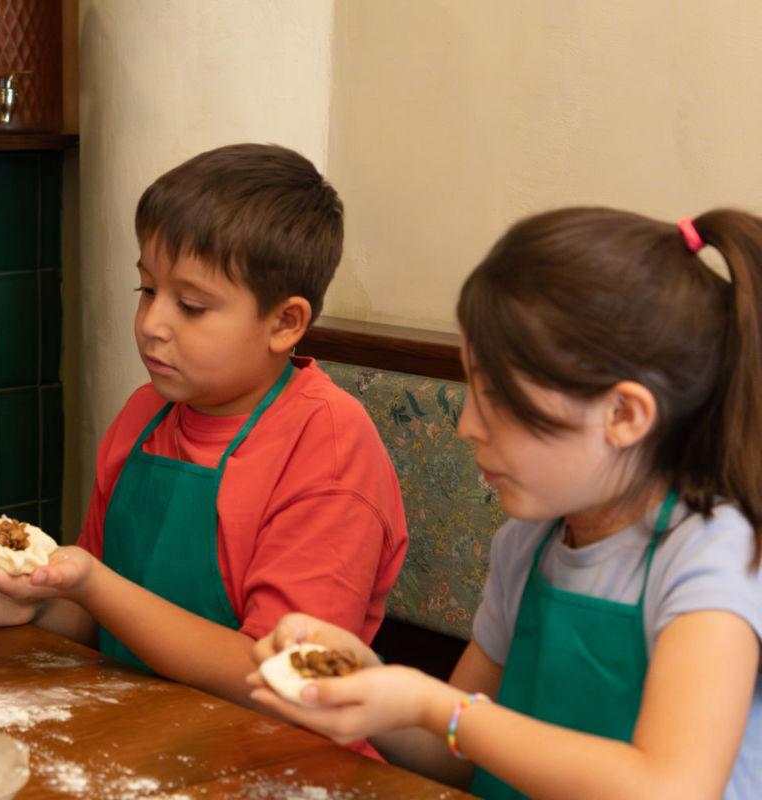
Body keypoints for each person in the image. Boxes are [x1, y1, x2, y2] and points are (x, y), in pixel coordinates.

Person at [248, 207, 762, 800]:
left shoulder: (712, 555)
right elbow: (458, 760)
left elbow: (667, 787)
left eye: (499, 399)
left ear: (623, 416)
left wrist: (436, 705)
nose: (467, 425)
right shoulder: (530, 542)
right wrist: (368, 685)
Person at [0, 143, 408, 724]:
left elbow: (282, 683)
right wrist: (30, 607)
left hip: (277, 759)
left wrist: (92, 585)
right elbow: (94, 619)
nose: (152, 324)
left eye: (191, 305)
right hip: (136, 727)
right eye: (147, 291)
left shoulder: (329, 448)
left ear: (284, 323)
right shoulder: (145, 414)